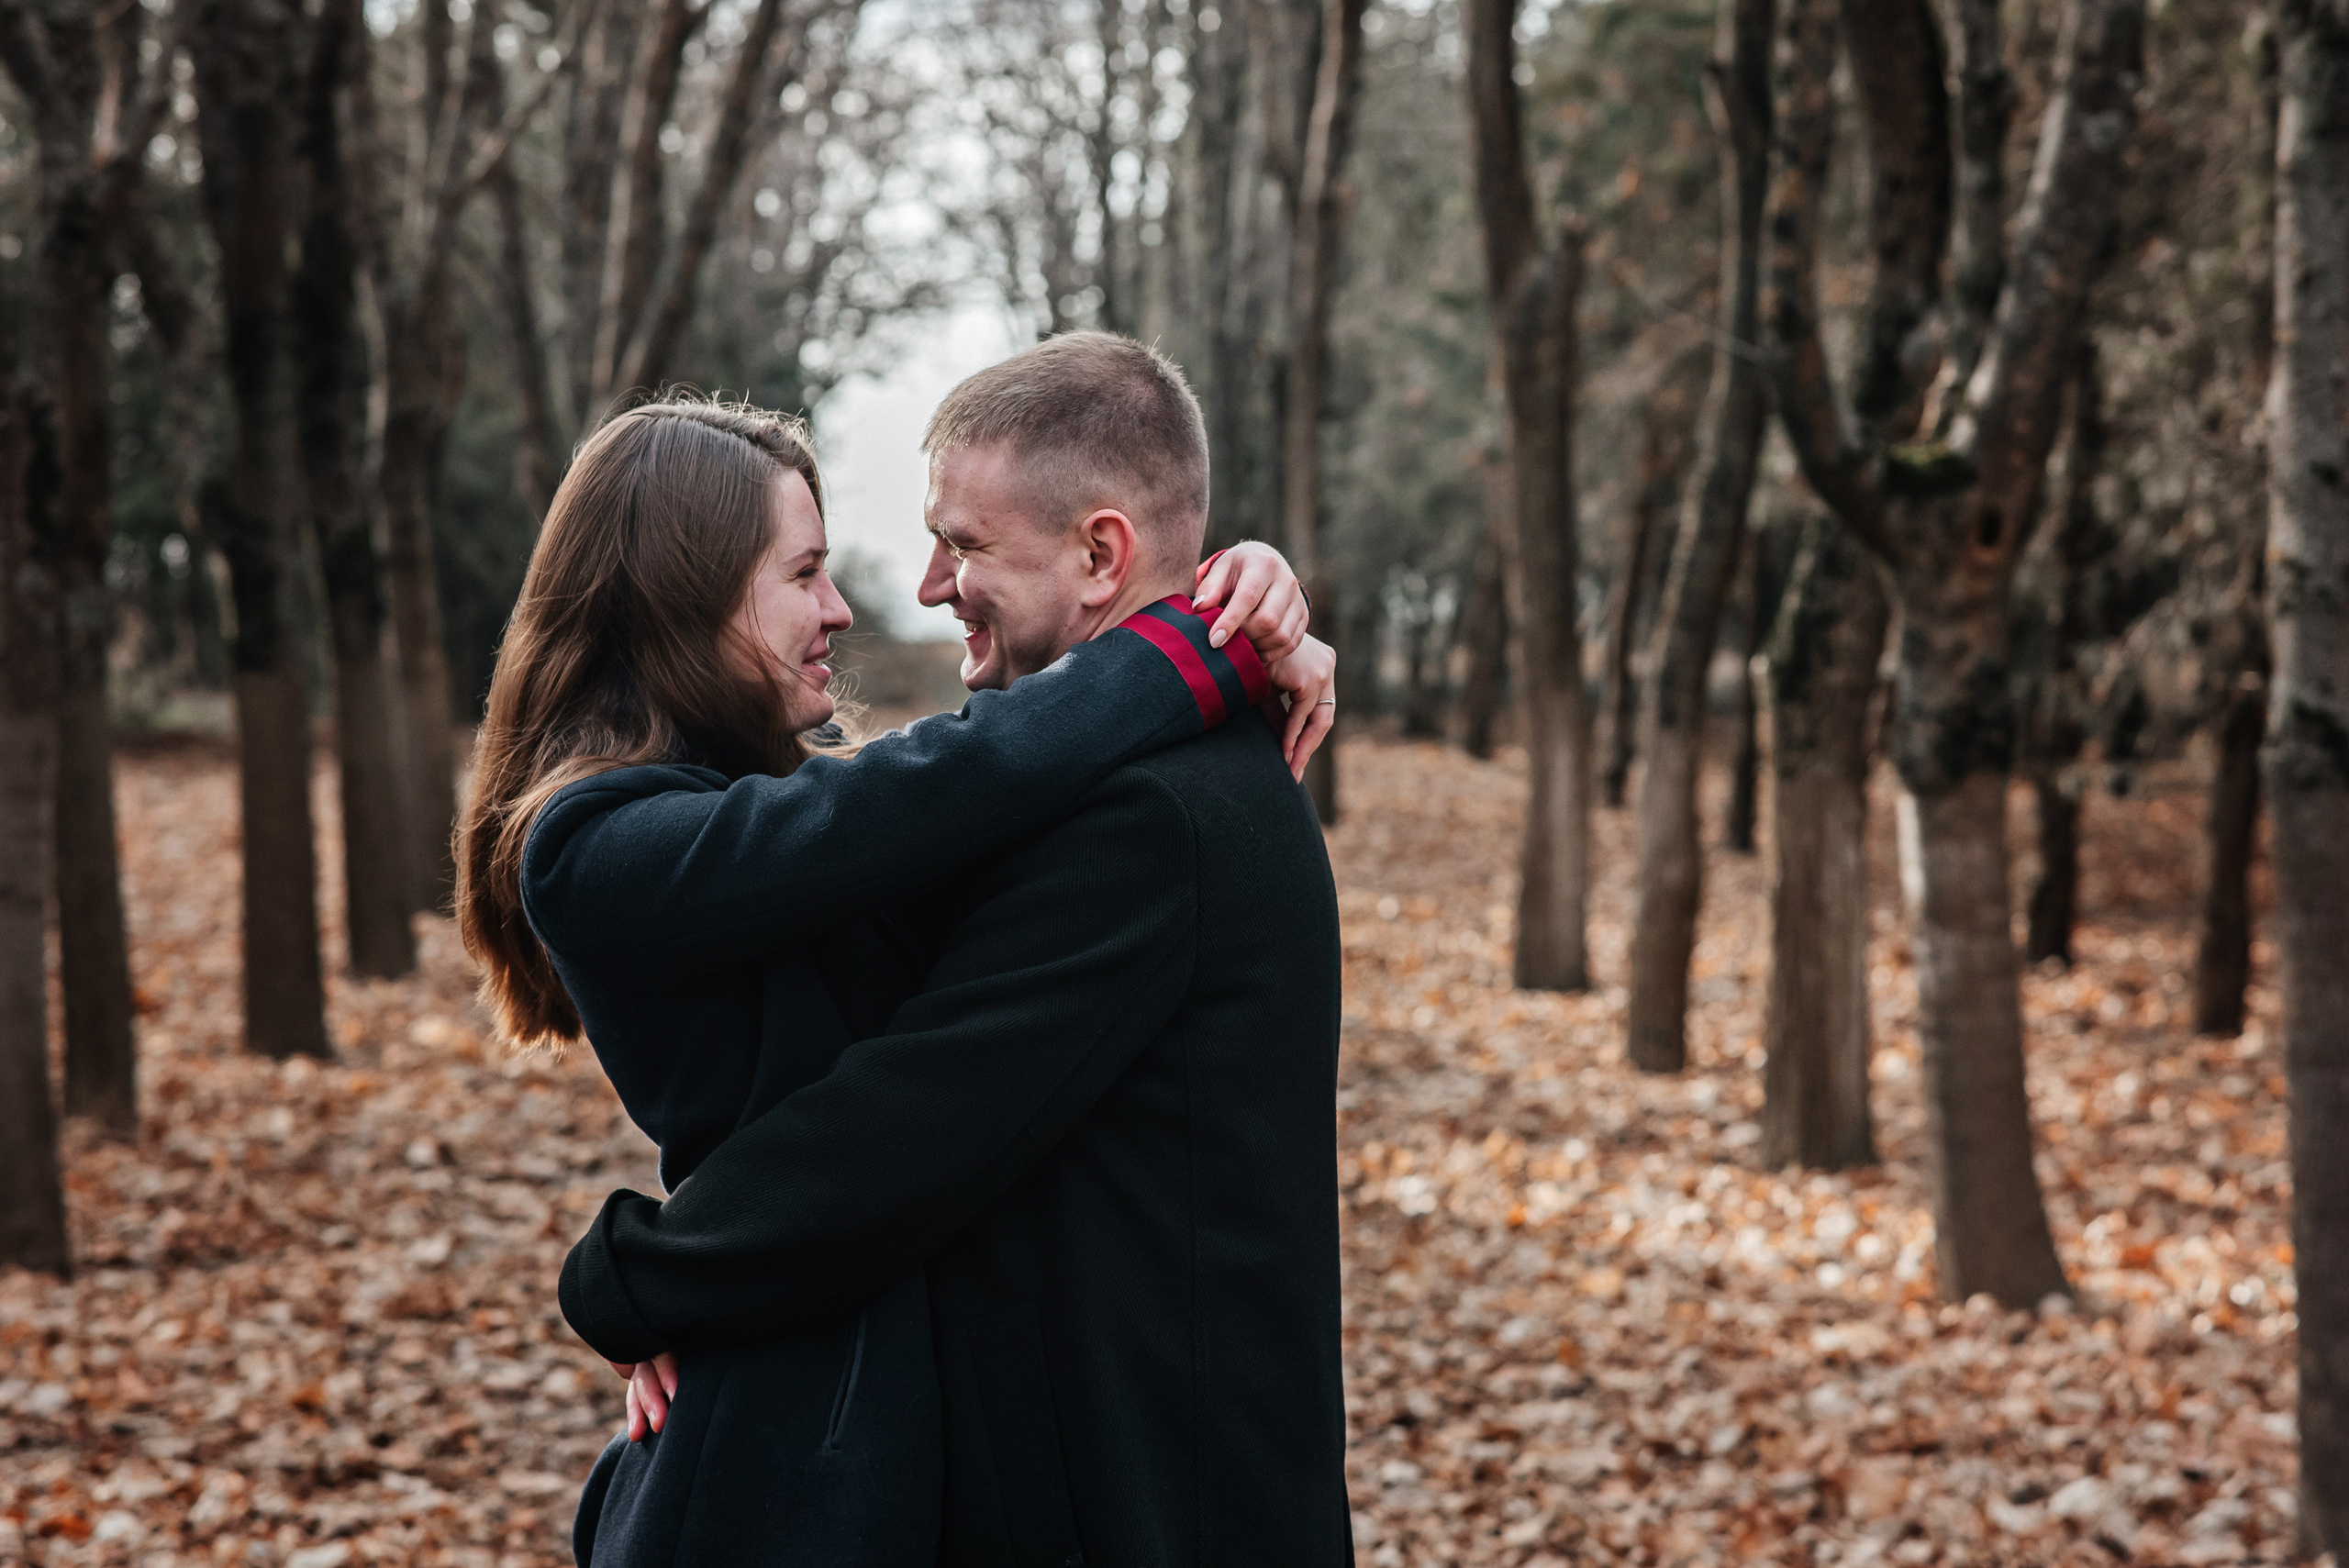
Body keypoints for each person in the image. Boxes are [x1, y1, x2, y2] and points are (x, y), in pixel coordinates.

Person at [452, 391, 1332, 1564]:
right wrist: (1193, 637)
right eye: (805, 571)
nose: (847, 605)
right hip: (791, 1438)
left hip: (869, 1404)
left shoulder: (783, 814)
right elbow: (945, 786)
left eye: (957, 547)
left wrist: (1234, 585)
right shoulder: (593, 846)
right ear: (685, 595)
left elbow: (951, 796)